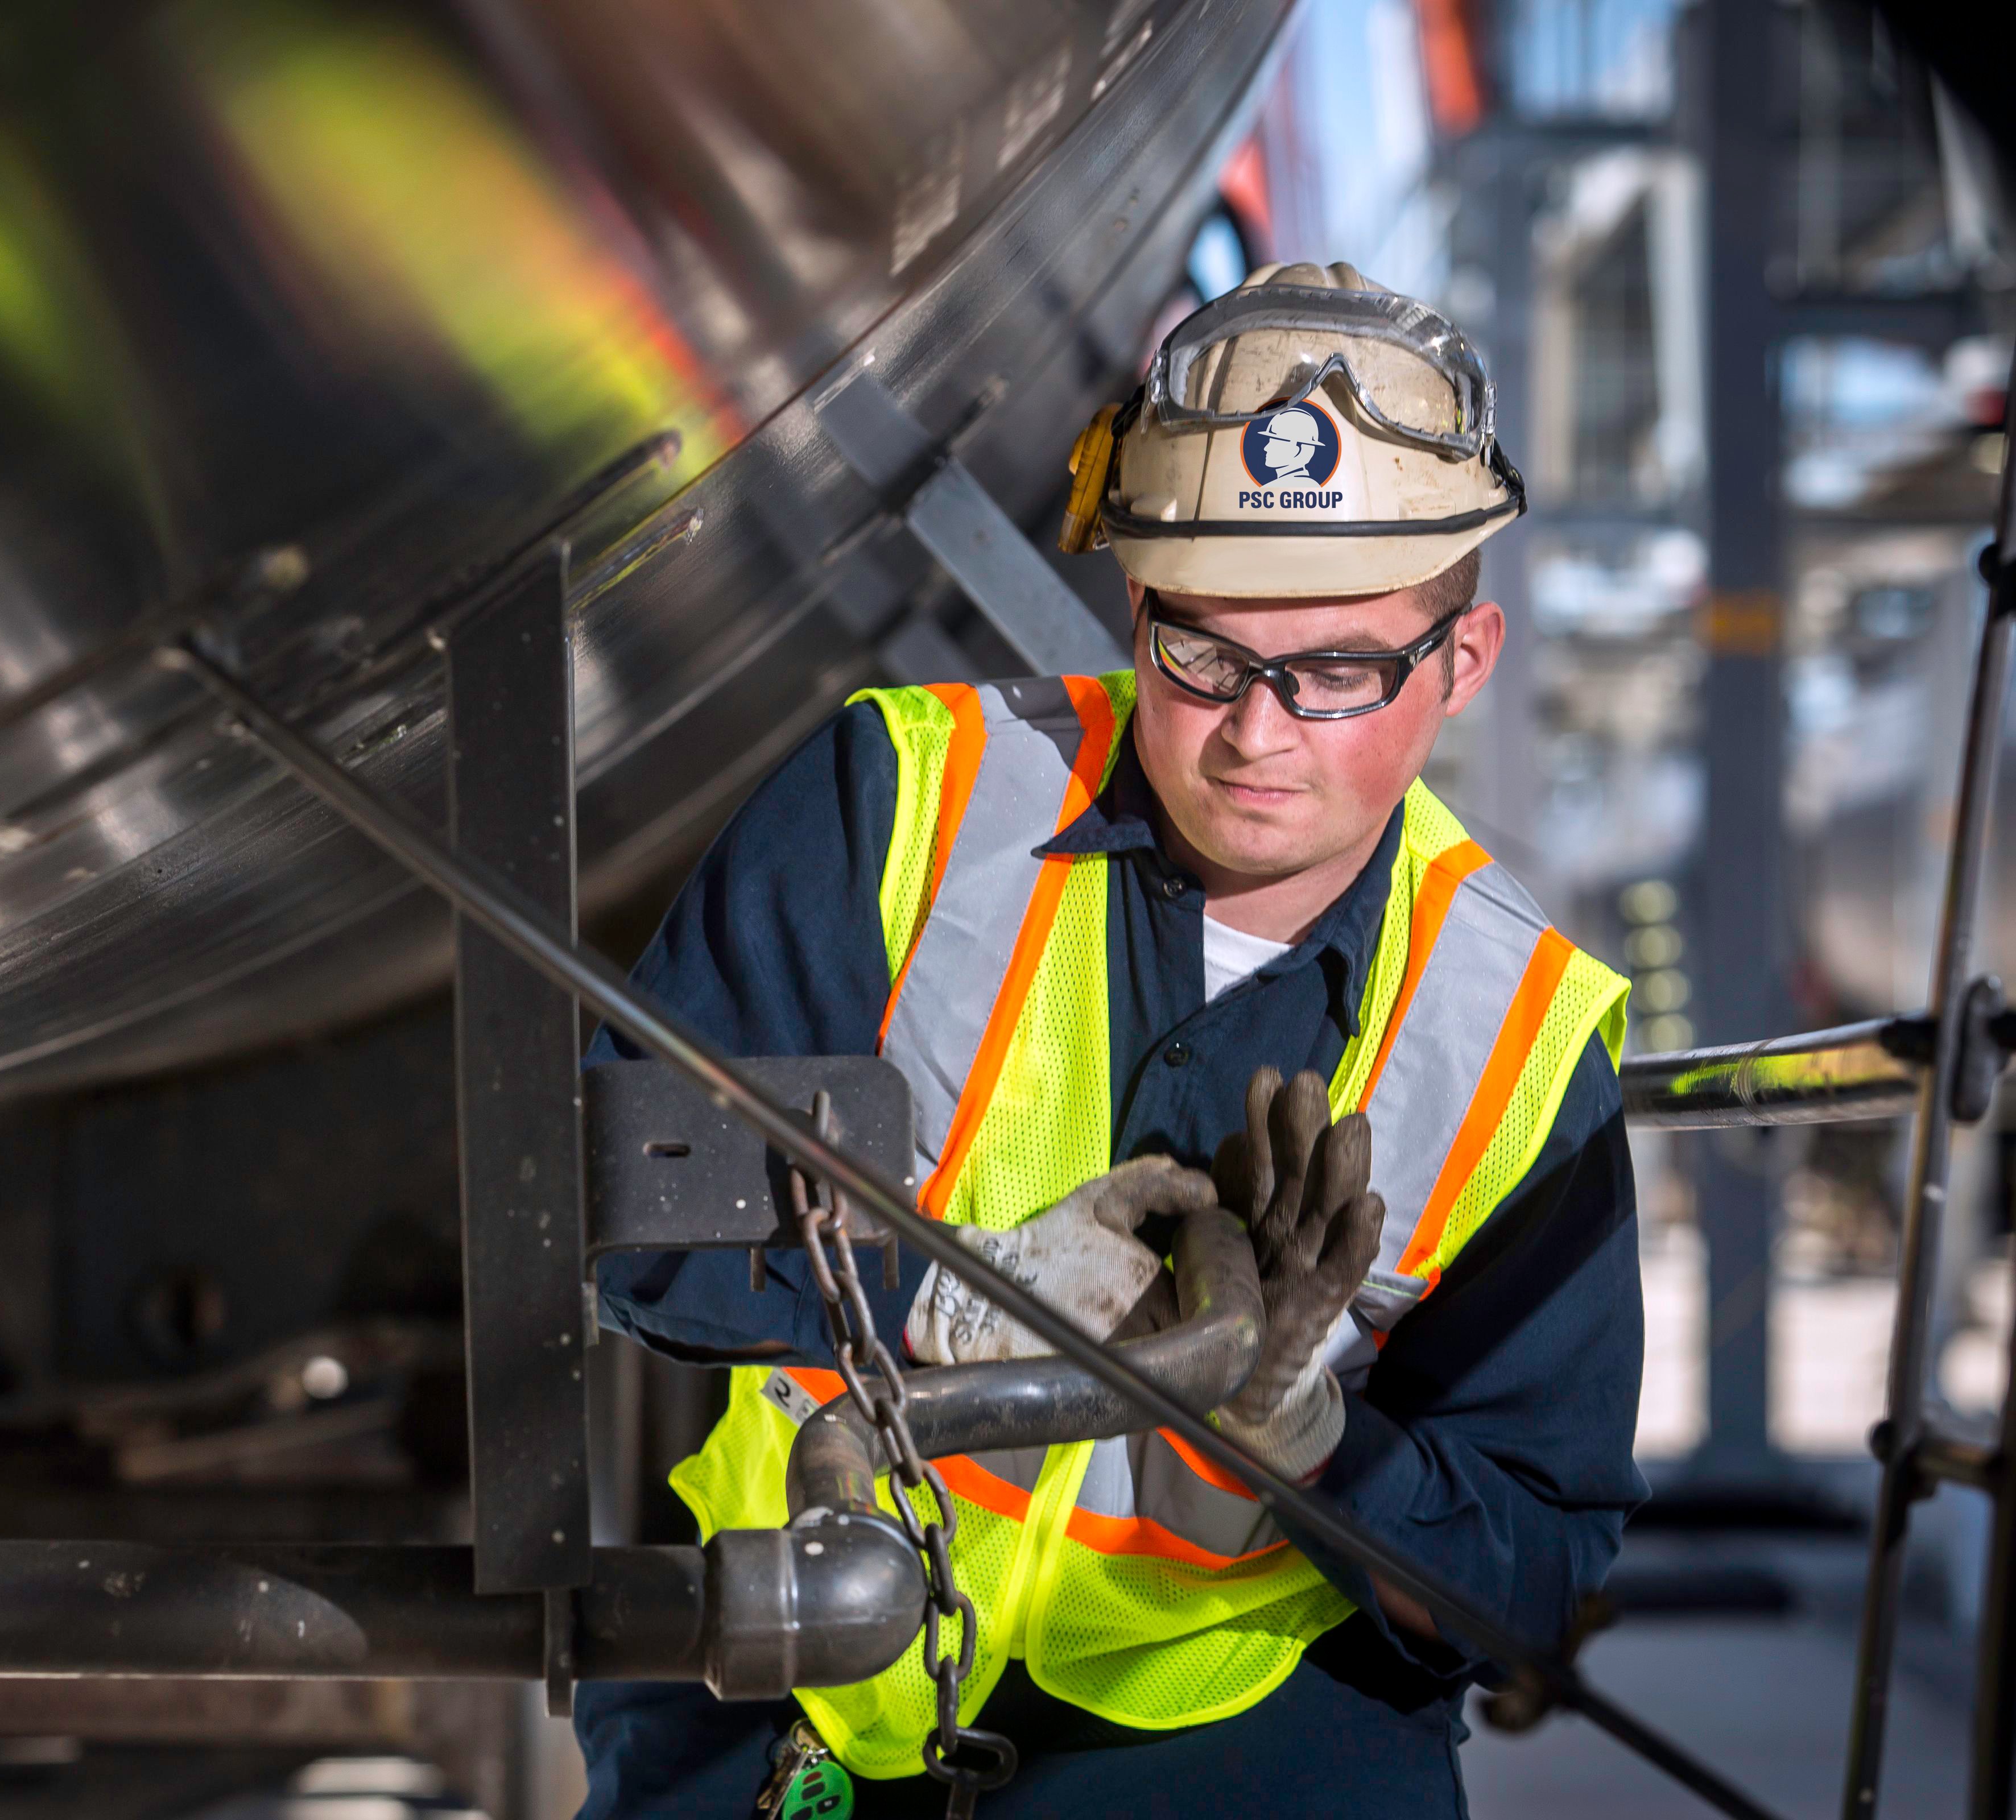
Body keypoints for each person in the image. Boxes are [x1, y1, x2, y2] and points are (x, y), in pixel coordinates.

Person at [575, 262, 1645, 1818]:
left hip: (1229, 1737)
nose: (1258, 732)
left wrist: (1315, 1441)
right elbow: (617, 1214)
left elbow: (1528, 1574)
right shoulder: (904, 808)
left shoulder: (1525, 1039)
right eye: (1204, 653)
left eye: (1338, 672)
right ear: (1135, 605)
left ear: (1461, 663)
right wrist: (949, 1305)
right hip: (796, 1686)